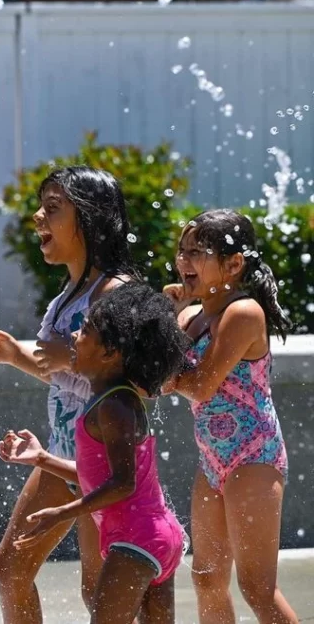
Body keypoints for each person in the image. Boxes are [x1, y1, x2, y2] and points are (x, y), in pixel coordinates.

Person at [0, 166, 136, 623]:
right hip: (67, 456)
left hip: (104, 464)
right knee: (10, 570)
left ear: (87, 220)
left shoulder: (116, 293)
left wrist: (68, 355)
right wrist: (17, 357)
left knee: (102, 593)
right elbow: (67, 376)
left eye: (53, 208)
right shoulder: (69, 294)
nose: (37, 218)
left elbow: (136, 381)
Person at [0, 282, 189, 624]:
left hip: (136, 540)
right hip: (157, 536)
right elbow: (99, 475)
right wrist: (41, 458)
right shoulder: (113, 399)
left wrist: (62, 512)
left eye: (84, 329)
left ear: (109, 353)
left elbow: (122, 484)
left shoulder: (114, 406)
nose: (74, 335)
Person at [163, 210, 298, 624]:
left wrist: (168, 375)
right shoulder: (190, 316)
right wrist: (171, 315)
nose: (184, 262)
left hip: (253, 456)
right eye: (181, 252)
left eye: (197, 253)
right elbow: (156, 371)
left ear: (234, 264)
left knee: (257, 589)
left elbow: (199, 385)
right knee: (206, 579)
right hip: (213, 462)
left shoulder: (243, 313)